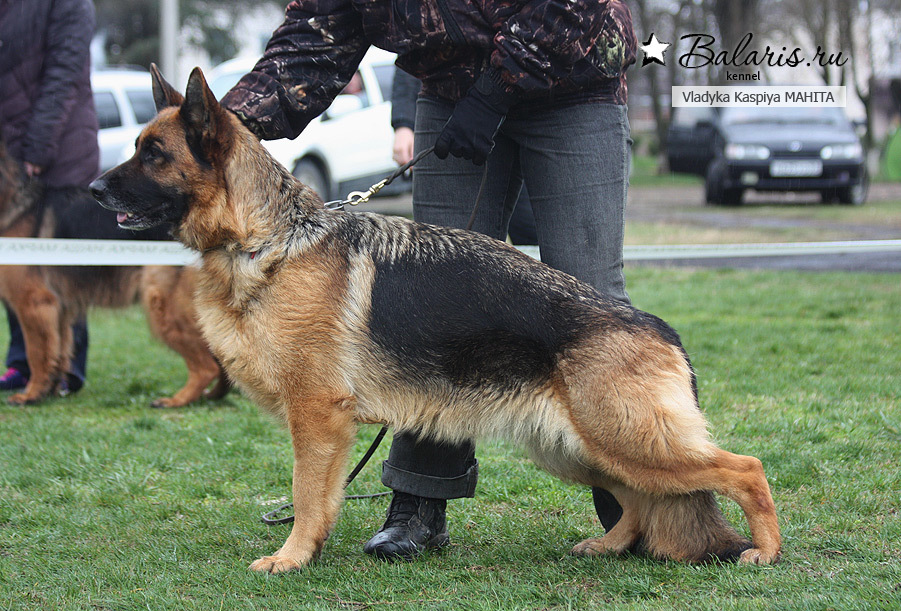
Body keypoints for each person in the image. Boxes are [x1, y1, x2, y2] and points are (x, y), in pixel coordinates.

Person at [222, 0, 636, 560]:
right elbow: (312, 39)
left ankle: (638, 505)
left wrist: (495, 93)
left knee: (591, 293)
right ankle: (419, 506)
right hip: (451, 94)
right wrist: (212, 130)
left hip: (574, 84)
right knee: (428, 305)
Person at [0, 0, 100, 394]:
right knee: (16, 269)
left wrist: (38, 148)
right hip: (13, 156)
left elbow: (64, 73)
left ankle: (66, 367)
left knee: (63, 272)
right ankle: (23, 362)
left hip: (58, 151)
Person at [391, 69, 538, 245]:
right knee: (445, 250)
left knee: (529, 229)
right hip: (454, 103)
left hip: (547, 93)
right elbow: (412, 51)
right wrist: (404, 123)